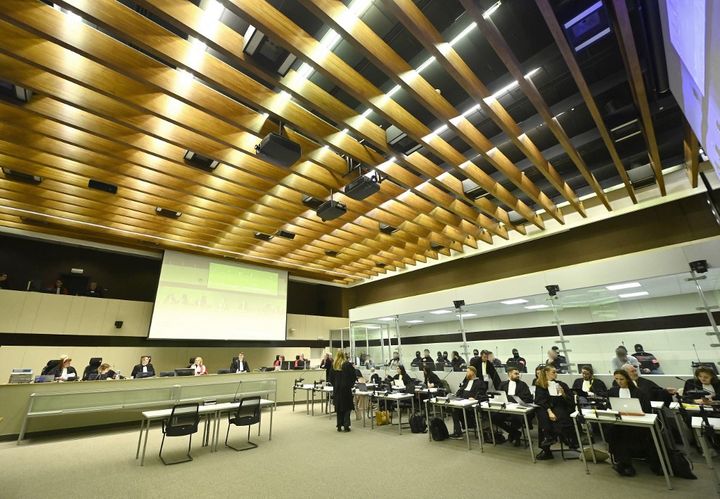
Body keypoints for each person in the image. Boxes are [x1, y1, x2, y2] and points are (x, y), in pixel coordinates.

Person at [606, 369, 658, 477]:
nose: (619, 382)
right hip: (620, 422)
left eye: (621, 379)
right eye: (616, 379)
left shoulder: (638, 392)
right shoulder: (613, 391)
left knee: (624, 433)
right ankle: (624, 464)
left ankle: (625, 464)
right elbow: (608, 406)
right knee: (614, 431)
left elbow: (646, 410)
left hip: (637, 423)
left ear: (628, 380)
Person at [534, 366, 577, 459]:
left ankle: (548, 438)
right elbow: (540, 400)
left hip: (561, 408)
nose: (556, 374)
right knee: (542, 411)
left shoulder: (562, 385)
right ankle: (548, 442)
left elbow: (570, 401)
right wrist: (549, 411)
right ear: (546, 373)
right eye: (553, 372)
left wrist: (563, 394)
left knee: (553, 417)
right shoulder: (541, 386)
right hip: (548, 409)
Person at [495, 367, 533, 445]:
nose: (518, 375)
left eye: (518, 373)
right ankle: (515, 433)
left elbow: (528, 398)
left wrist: (516, 402)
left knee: (516, 418)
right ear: (509, 374)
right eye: (516, 374)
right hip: (505, 408)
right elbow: (499, 395)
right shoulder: (503, 384)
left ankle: (515, 436)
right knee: (494, 417)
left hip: (517, 409)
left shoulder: (522, 385)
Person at [449, 366, 487, 438]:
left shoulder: (480, 383)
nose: (466, 373)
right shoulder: (466, 382)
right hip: (462, 403)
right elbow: (460, 391)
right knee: (453, 409)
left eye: (468, 371)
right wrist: (455, 395)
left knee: (455, 411)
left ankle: (458, 432)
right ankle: (458, 432)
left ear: (473, 372)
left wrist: (475, 398)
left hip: (471, 406)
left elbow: (481, 394)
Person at [332, 350, 355, 432]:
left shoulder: (334, 365)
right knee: (347, 408)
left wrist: (335, 385)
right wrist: (351, 385)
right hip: (345, 389)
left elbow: (330, 378)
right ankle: (346, 425)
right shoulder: (347, 364)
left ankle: (339, 425)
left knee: (339, 408)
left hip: (337, 389)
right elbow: (353, 375)